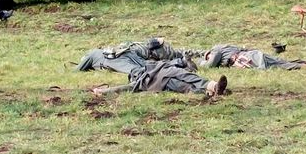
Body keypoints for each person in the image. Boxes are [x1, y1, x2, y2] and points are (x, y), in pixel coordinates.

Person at [93, 59, 228, 97]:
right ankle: (212, 90)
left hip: (168, 73)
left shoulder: (150, 68)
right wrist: (103, 92)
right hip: (165, 81)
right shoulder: (139, 81)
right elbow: (125, 88)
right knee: (186, 85)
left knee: (188, 78)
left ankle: (213, 87)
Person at [76, 38, 201, 73]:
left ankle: (181, 63)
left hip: (117, 60)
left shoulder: (92, 55)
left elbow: (77, 70)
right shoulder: (98, 52)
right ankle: (182, 62)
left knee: (142, 70)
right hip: (126, 53)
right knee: (145, 66)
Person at [200, 44, 306, 70]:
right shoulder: (226, 47)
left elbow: (211, 63)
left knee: (284, 65)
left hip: (249, 60)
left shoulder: (215, 52)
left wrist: (203, 64)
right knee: (283, 62)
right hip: (254, 54)